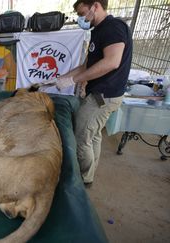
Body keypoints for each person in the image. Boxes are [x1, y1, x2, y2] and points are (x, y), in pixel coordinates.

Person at [50, 0, 132, 186]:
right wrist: (64, 77)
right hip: (99, 93)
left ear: (95, 6)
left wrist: (73, 80)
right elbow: (87, 65)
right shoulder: (99, 30)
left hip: (104, 95)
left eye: (82, 13)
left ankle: (82, 180)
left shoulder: (113, 28)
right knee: (93, 135)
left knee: (81, 137)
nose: (81, 18)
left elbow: (112, 62)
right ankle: (90, 173)